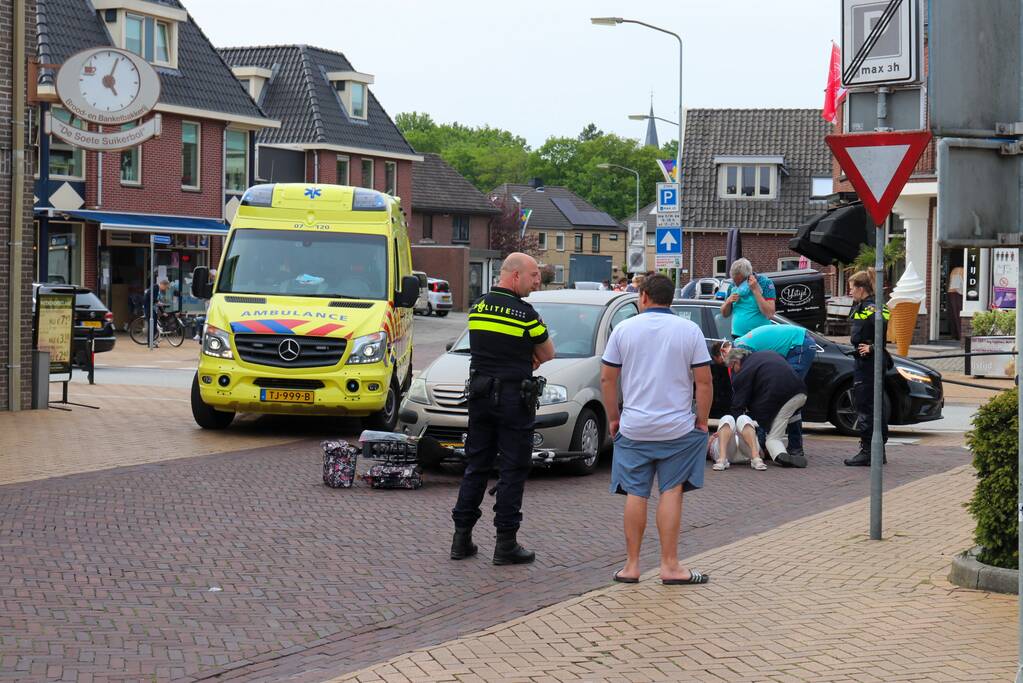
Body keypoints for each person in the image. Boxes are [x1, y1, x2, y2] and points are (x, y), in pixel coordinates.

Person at [600, 273, 713, 585]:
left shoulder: (623, 329)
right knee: (671, 490)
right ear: (671, 299)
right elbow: (704, 381)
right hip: (676, 428)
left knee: (636, 493)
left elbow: (608, 379)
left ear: (645, 297)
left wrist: (614, 417)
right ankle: (670, 566)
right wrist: (701, 420)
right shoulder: (689, 330)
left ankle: (632, 566)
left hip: (634, 427)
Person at [451, 252, 555, 565]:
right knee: (512, 468)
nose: (537, 281)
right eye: (533, 275)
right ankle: (505, 543)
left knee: (476, 465)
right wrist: (527, 357)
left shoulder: (478, 306)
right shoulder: (525, 314)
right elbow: (548, 353)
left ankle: (461, 539)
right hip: (513, 399)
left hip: (480, 395)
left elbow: (487, 345)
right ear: (514, 276)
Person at [726, 324, 815, 460]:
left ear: (735, 360)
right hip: (798, 342)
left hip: (799, 345)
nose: (733, 372)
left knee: (783, 395)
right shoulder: (742, 346)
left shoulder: (743, 350)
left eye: (731, 367)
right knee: (780, 395)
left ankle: (793, 447)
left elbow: (750, 387)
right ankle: (777, 445)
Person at [844, 270, 892, 467]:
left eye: (852, 288)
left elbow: (882, 327)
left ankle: (868, 451)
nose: (850, 292)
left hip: (868, 362)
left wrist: (872, 347)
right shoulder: (866, 306)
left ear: (861, 289)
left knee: (866, 405)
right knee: (871, 404)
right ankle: (877, 451)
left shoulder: (871, 307)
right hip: (866, 360)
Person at [719, 258, 776, 338]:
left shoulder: (764, 283)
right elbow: (724, 314)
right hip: (738, 336)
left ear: (748, 276)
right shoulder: (732, 286)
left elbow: (769, 313)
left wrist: (755, 290)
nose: (737, 284)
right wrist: (728, 302)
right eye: (734, 281)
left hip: (760, 336)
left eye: (739, 281)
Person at [947, 264, 964, 340]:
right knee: (958, 314)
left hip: (951, 293)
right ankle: (959, 335)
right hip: (957, 294)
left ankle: (954, 335)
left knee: (953, 314)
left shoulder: (953, 270)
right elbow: (958, 286)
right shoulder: (961, 270)